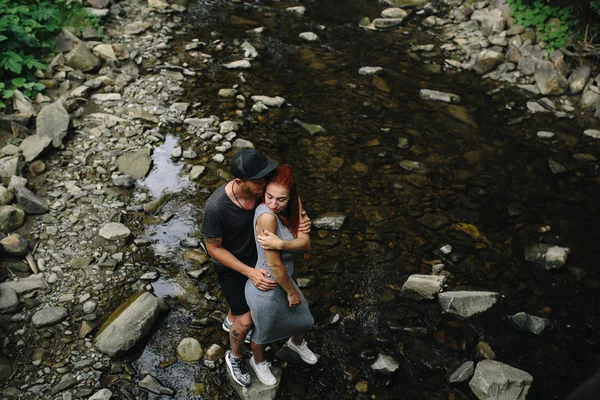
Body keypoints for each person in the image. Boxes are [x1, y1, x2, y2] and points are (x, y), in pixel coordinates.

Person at [200, 149, 310, 387]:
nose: (264, 182)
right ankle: (236, 357)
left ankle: (230, 319)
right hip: (231, 266)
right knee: (246, 320)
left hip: (258, 258)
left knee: (245, 311)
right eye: (259, 179)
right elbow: (214, 249)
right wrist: (248, 272)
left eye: (265, 176)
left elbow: (285, 200)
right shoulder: (216, 207)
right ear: (239, 182)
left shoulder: (263, 192)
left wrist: (299, 221)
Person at [244, 165, 318, 387]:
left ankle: (296, 343)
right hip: (267, 285)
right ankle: (258, 362)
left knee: (305, 319)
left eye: (281, 200)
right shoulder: (267, 217)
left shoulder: (294, 204)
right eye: (269, 197)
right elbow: (274, 265)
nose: (274, 204)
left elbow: (305, 244)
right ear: (264, 191)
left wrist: (283, 242)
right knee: (262, 334)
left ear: (291, 196)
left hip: (285, 280)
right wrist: (292, 291)